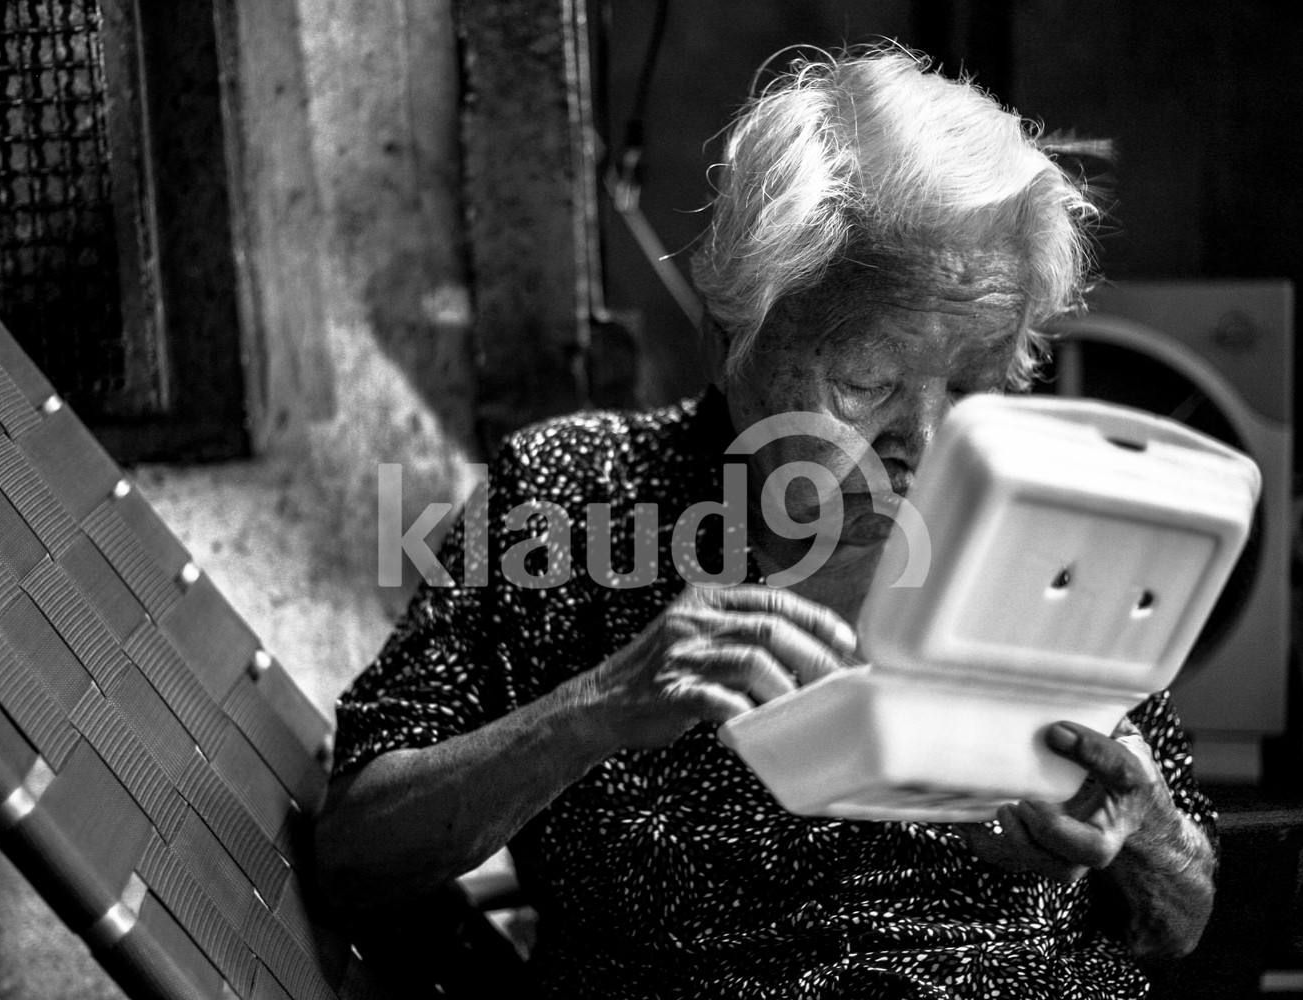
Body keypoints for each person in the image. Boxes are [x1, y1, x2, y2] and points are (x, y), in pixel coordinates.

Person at [315, 46, 1216, 998]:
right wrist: (593, 711)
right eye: (866, 383)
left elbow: (1182, 923)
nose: (925, 444)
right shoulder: (569, 500)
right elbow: (353, 857)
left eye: (972, 386)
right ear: (732, 335)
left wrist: (1138, 831)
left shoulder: (1048, 522)